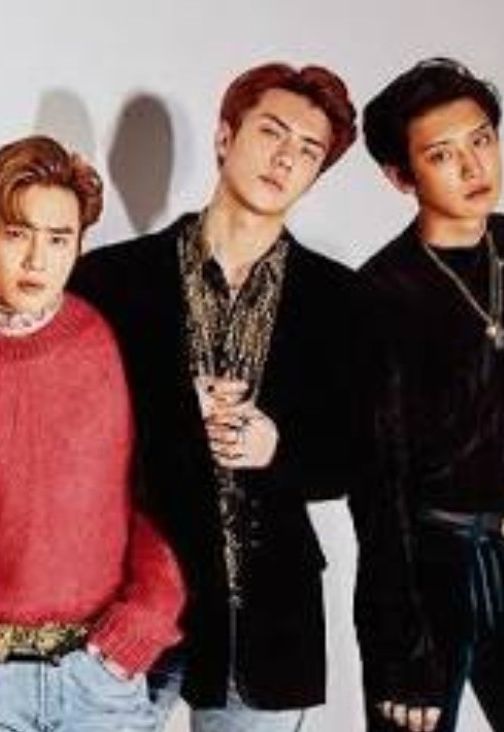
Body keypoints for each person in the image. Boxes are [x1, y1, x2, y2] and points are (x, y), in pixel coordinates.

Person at [71, 62, 366, 731]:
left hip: (264, 614)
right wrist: (176, 412)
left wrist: (278, 447)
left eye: (308, 150)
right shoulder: (111, 279)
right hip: (129, 601)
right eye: (272, 132)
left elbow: (358, 454)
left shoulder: (340, 300)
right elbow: (71, 431)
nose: (285, 158)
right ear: (226, 136)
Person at [0, 135, 185, 732]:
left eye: (58, 239)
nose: (37, 260)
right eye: (16, 233)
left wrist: (142, 624)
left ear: (80, 245)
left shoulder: (122, 343)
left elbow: (171, 496)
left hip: (99, 680)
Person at [356, 57, 504, 732]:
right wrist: (399, 647)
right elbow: (377, 490)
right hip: (433, 567)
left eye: (482, 140)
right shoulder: (379, 296)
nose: (473, 166)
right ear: (401, 177)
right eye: (442, 155)